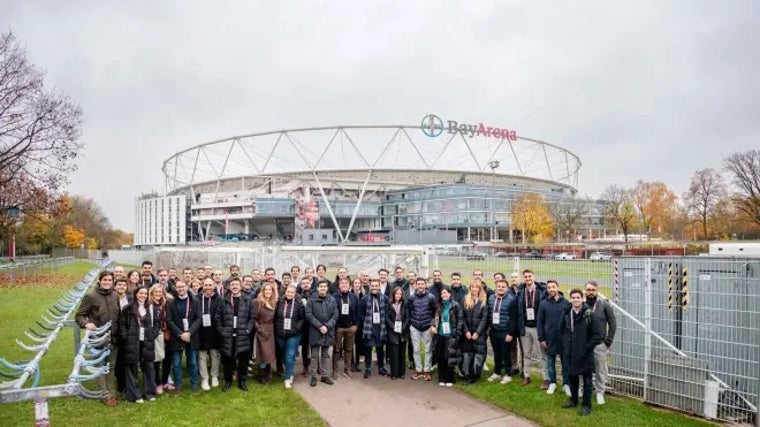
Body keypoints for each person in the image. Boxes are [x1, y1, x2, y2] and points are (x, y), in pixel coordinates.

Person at [75, 271, 120, 406]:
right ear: (100, 281)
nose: (107, 282)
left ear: (113, 281)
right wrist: (86, 323)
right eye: (104, 280)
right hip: (98, 338)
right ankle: (104, 394)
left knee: (111, 366)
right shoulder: (91, 296)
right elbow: (79, 316)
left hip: (113, 337)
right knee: (100, 367)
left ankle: (112, 392)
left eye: (109, 280)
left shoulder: (115, 295)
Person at [560, 289, 604, 416]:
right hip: (571, 352)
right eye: (573, 297)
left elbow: (598, 334)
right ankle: (573, 400)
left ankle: (586, 405)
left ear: (582, 298)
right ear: (570, 299)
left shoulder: (590, 314)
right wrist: (566, 345)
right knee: (573, 377)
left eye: (578, 297)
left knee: (587, 380)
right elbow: (561, 330)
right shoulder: (567, 313)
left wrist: (587, 348)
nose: (575, 300)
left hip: (585, 353)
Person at [119, 286, 159, 403]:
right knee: (132, 367)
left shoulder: (152, 308)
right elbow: (122, 325)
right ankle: (135, 395)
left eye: (145, 293)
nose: (143, 295)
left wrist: (153, 334)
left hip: (147, 341)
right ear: (136, 294)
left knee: (149, 367)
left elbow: (157, 323)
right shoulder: (128, 308)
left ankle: (150, 393)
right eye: (141, 293)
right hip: (132, 342)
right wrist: (126, 337)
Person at [215, 278, 255, 391]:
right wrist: (222, 331)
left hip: (242, 335)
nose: (235, 286)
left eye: (237, 284)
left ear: (241, 285)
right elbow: (218, 318)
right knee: (228, 360)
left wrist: (248, 330)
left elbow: (252, 317)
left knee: (243, 361)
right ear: (229, 286)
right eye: (232, 284)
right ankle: (228, 381)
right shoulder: (223, 300)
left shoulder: (247, 300)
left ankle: (242, 381)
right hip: (227, 335)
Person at [585, 280, 617, 405]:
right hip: (585, 344)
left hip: (600, 345)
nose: (591, 292)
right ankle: (583, 390)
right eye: (588, 290)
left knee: (600, 370)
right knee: (584, 369)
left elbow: (613, 323)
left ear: (597, 291)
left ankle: (599, 392)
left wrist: (608, 342)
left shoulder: (604, 304)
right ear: (585, 291)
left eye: (593, 290)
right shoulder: (582, 304)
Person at [166, 280, 201, 394]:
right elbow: (169, 320)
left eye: (182, 286)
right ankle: (178, 386)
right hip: (177, 336)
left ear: (186, 287)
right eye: (178, 287)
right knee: (176, 363)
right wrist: (180, 334)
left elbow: (198, 319)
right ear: (175, 289)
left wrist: (189, 332)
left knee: (193, 362)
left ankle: (194, 385)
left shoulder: (195, 301)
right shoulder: (171, 302)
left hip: (192, 335)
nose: (180, 289)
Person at [516, 269, 548, 388]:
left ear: (533, 277)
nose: (528, 278)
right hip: (525, 328)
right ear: (523, 278)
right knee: (526, 354)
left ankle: (546, 379)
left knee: (542, 355)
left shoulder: (542, 291)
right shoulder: (520, 292)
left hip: (538, 328)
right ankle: (526, 376)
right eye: (525, 276)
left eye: (529, 276)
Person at [538, 280, 570, 395]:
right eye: (549, 287)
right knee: (550, 362)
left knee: (565, 363)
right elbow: (540, 322)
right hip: (549, 338)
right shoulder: (543, 304)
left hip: (563, 339)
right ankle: (552, 383)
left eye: (553, 287)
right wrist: (542, 338)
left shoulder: (566, 303)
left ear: (558, 287)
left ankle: (566, 384)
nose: (551, 289)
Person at [305, 279, 338, 386]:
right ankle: (313, 376)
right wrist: (320, 326)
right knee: (314, 356)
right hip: (315, 331)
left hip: (328, 332)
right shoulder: (311, 300)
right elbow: (309, 315)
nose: (323, 288)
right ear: (318, 288)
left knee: (325, 355)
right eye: (321, 286)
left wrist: (327, 326)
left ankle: (324, 375)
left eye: (325, 286)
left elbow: (335, 314)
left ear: (327, 288)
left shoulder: (332, 300)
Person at [275, 285, 306, 388]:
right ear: (285, 292)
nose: (289, 294)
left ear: (295, 293)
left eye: (292, 292)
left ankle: (287, 378)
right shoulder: (279, 302)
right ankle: (290, 372)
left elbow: (302, 318)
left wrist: (297, 328)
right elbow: (275, 316)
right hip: (280, 334)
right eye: (288, 291)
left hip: (293, 334)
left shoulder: (299, 303)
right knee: (285, 356)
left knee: (290, 355)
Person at [408, 277, 438, 381]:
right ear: (416, 285)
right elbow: (409, 310)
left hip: (427, 327)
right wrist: (411, 324)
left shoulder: (431, 297)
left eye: (422, 284)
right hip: (415, 327)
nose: (420, 286)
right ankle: (418, 370)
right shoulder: (411, 297)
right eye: (418, 284)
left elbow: (435, 312)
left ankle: (427, 371)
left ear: (425, 285)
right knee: (416, 350)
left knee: (427, 350)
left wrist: (432, 324)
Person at [360, 278, 389, 378]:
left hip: (380, 327)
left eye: (376, 286)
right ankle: (367, 368)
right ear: (370, 286)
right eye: (373, 286)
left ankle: (381, 367)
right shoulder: (364, 299)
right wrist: (367, 322)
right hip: (369, 327)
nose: (374, 287)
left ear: (379, 287)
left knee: (380, 348)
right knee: (368, 348)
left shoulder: (385, 298)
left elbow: (387, 312)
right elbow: (362, 313)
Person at [489, 279, 517, 385]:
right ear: (496, 287)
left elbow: (514, 318)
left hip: (505, 331)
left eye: (503, 286)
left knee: (506, 354)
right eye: (499, 286)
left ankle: (508, 374)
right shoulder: (491, 298)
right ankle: (497, 373)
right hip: (494, 330)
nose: (500, 288)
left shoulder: (511, 300)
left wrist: (510, 333)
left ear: (507, 288)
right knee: (497, 353)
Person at [435, 286, 463, 387]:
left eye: (445, 293)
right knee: (440, 357)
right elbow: (434, 318)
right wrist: (433, 326)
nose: (444, 295)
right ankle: (441, 378)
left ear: (450, 294)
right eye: (442, 293)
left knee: (450, 357)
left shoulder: (456, 306)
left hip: (451, 336)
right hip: (440, 335)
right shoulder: (438, 305)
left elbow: (460, 320)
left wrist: (457, 334)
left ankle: (450, 378)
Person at [332, 276, 360, 379]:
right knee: (336, 350)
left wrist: (356, 325)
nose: (344, 285)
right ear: (339, 285)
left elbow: (358, 312)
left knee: (348, 349)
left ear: (349, 285)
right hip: (338, 328)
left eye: (346, 283)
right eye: (342, 283)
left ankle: (347, 369)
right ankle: (335, 370)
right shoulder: (334, 297)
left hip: (350, 328)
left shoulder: (354, 297)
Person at [461, 280, 488, 384]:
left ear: (479, 289)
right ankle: (468, 375)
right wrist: (466, 331)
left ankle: (476, 374)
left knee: (478, 354)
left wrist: (477, 332)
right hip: (467, 334)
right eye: (472, 287)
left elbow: (484, 319)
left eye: (476, 287)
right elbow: (462, 317)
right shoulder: (465, 299)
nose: (474, 289)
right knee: (468, 355)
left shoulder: (483, 301)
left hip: (478, 334)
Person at [197, 278, 221, 391]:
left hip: (215, 331)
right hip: (201, 331)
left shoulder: (219, 299)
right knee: (201, 356)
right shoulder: (197, 298)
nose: (207, 287)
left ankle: (214, 376)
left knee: (214, 354)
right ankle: (204, 378)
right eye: (206, 285)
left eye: (210, 285)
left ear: (214, 286)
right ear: (202, 286)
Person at [148, 284, 172, 394]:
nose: (158, 294)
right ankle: (157, 383)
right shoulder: (148, 305)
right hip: (155, 336)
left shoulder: (166, 304)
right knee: (157, 360)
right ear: (151, 293)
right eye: (155, 292)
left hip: (167, 335)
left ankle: (165, 381)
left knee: (167, 359)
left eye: (160, 292)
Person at [253, 282, 277, 384]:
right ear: (262, 291)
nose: (268, 292)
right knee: (262, 353)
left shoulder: (274, 302)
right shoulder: (257, 302)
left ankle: (268, 373)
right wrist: (258, 329)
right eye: (266, 290)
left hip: (271, 330)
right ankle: (261, 375)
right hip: (261, 330)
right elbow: (253, 318)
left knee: (269, 353)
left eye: (270, 290)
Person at [386, 286, 409, 380]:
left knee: (402, 352)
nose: (398, 295)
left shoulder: (405, 304)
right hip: (393, 331)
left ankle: (402, 373)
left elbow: (408, 317)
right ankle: (394, 373)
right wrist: (393, 327)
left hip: (403, 331)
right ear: (393, 294)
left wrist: (403, 327)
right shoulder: (389, 304)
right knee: (394, 353)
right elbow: (387, 318)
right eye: (397, 294)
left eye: (400, 294)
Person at [113, 278, 131, 394]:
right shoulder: (111, 298)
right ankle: (120, 385)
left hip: (128, 332)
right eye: (119, 285)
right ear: (115, 286)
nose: (121, 287)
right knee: (118, 361)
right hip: (115, 333)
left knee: (126, 359)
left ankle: (127, 384)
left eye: (124, 285)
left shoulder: (130, 299)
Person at [506, 272, 523, 375]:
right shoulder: (508, 291)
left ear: (519, 278)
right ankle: (514, 366)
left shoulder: (523, 290)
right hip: (511, 323)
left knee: (523, 348)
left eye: (515, 277)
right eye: (512, 277)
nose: (513, 279)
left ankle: (524, 369)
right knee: (512, 347)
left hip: (521, 324)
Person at [298, 277, 313, 376]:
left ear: (310, 284)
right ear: (300, 285)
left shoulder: (315, 296)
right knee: (305, 347)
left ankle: (318, 366)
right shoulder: (298, 296)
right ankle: (305, 366)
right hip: (303, 326)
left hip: (314, 325)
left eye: (307, 283)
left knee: (316, 346)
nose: (305, 284)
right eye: (303, 283)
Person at [350, 277, 366, 372]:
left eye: (358, 283)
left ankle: (357, 363)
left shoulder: (363, 295)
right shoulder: (350, 295)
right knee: (350, 344)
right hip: (351, 323)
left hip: (360, 323)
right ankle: (351, 363)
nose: (356, 284)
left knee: (358, 343)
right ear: (352, 284)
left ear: (360, 284)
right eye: (355, 283)